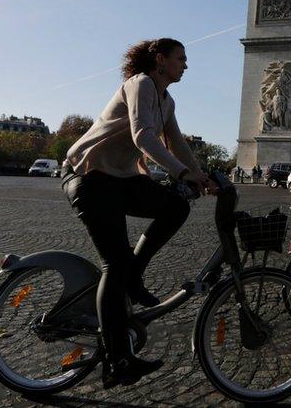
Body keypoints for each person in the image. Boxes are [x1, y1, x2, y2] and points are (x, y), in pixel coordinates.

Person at [61, 37, 216, 388]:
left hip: (120, 179)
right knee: (114, 264)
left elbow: (177, 144)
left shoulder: (167, 100)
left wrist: (203, 178)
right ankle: (117, 360)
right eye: (181, 58)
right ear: (160, 60)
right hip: (89, 177)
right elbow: (144, 136)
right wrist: (181, 173)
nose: (186, 65)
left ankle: (134, 275)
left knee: (176, 205)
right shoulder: (140, 83)